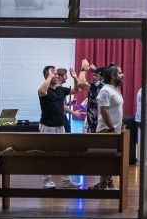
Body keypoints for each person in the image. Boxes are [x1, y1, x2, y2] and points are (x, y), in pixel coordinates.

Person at [37, 61, 88, 189]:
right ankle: (46, 181)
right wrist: (49, 76)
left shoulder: (60, 89)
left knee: (63, 152)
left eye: (56, 75)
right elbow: (41, 92)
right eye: (53, 74)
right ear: (47, 76)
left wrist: (75, 77)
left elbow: (77, 89)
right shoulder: (44, 89)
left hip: (60, 125)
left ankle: (66, 181)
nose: (56, 76)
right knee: (47, 154)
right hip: (47, 126)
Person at [90, 64, 125, 190]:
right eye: (120, 73)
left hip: (114, 129)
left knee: (110, 159)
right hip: (106, 129)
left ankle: (107, 183)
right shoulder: (105, 90)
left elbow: (117, 110)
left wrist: (120, 126)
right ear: (113, 75)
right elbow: (104, 111)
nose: (123, 75)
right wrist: (111, 127)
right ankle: (104, 184)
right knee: (107, 159)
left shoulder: (115, 90)